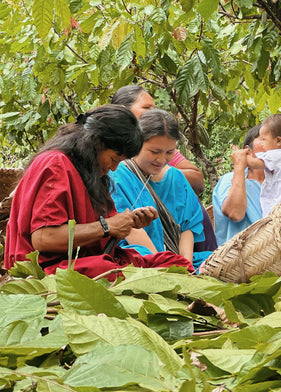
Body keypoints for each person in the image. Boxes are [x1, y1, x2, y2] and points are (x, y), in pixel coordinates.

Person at [4, 105, 193, 278]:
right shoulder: (56, 164)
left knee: (173, 263)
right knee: (111, 272)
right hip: (48, 271)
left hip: (86, 261)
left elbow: (99, 232)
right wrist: (107, 226)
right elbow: (43, 239)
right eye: (113, 159)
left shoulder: (89, 170)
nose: (113, 168)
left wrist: (129, 222)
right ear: (96, 142)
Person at [111, 85, 217, 253]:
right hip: (143, 263)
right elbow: (129, 228)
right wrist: (166, 269)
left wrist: (186, 266)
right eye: (154, 152)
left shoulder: (176, 177)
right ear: (137, 141)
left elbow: (187, 227)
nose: (161, 159)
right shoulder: (117, 176)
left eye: (169, 152)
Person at [212, 124, 265, 245]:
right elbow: (234, 213)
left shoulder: (280, 184)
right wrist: (240, 165)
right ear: (248, 151)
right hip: (237, 259)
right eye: (264, 139)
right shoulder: (229, 179)